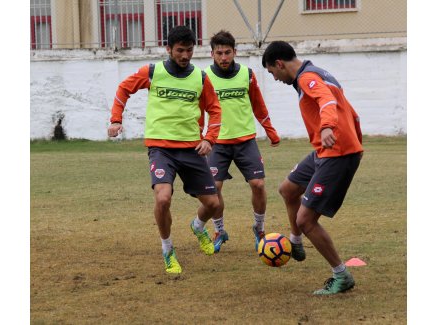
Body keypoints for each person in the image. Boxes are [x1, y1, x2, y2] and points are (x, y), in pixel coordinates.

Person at [108, 26, 222, 274]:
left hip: (192, 149)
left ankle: (198, 226)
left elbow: (215, 110)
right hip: (161, 149)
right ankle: (168, 249)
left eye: (189, 50)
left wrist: (210, 139)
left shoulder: (201, 78)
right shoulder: (152, 72)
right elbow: (123, 88)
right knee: (163, 198)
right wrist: (116, 119)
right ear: (168, 49)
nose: (185, 55)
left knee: (214, 204)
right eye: (180, 50)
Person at [262, 41, 363, 295]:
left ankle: (342, 275)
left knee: (306, 220)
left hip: (337, 153)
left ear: (279, 64)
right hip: (325, 150)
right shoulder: (319, 72)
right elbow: (349, 110)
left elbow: (327, 102)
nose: (274, 79)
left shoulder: (308, 78)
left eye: (272, 73)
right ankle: (296, 242)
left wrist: (329, 127)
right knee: (287, 190)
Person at [198, 30, 281, 253]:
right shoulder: (204, 77)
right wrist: (199, 137)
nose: (223, 57)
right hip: (217, 143)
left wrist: (271, 131)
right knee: (214, 189)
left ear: (235, 52)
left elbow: (258, 106)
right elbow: (198, 110)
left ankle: (259, 228)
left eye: (227, 52)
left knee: (259, 184)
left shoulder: (247, 74)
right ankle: (219, 230)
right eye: (219, 53)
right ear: (212, 54)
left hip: (245, 141)